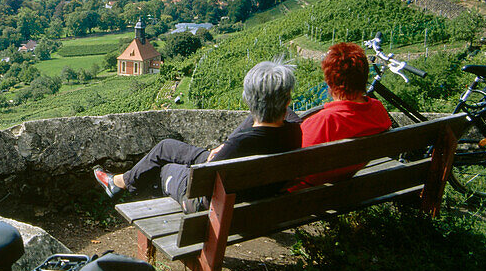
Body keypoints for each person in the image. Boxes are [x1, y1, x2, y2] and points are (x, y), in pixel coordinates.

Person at [94, 60, 301, 211]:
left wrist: (224, 150)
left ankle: (122, 185)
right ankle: (119, 181)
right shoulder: (294, 129)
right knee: (166, 147)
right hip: (256, 197)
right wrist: (226, 147)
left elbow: (205, 175)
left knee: (164, 167)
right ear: (287, 98)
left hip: (208, 203)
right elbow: (279, 115)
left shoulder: (238, 145)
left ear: (248, 99)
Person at [285, 42, 391, 191]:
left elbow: (291, 167)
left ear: (329, 80)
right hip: (343, 183)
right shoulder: (377, 110)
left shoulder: (323, 122)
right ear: (364, 77)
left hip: (306, 195)